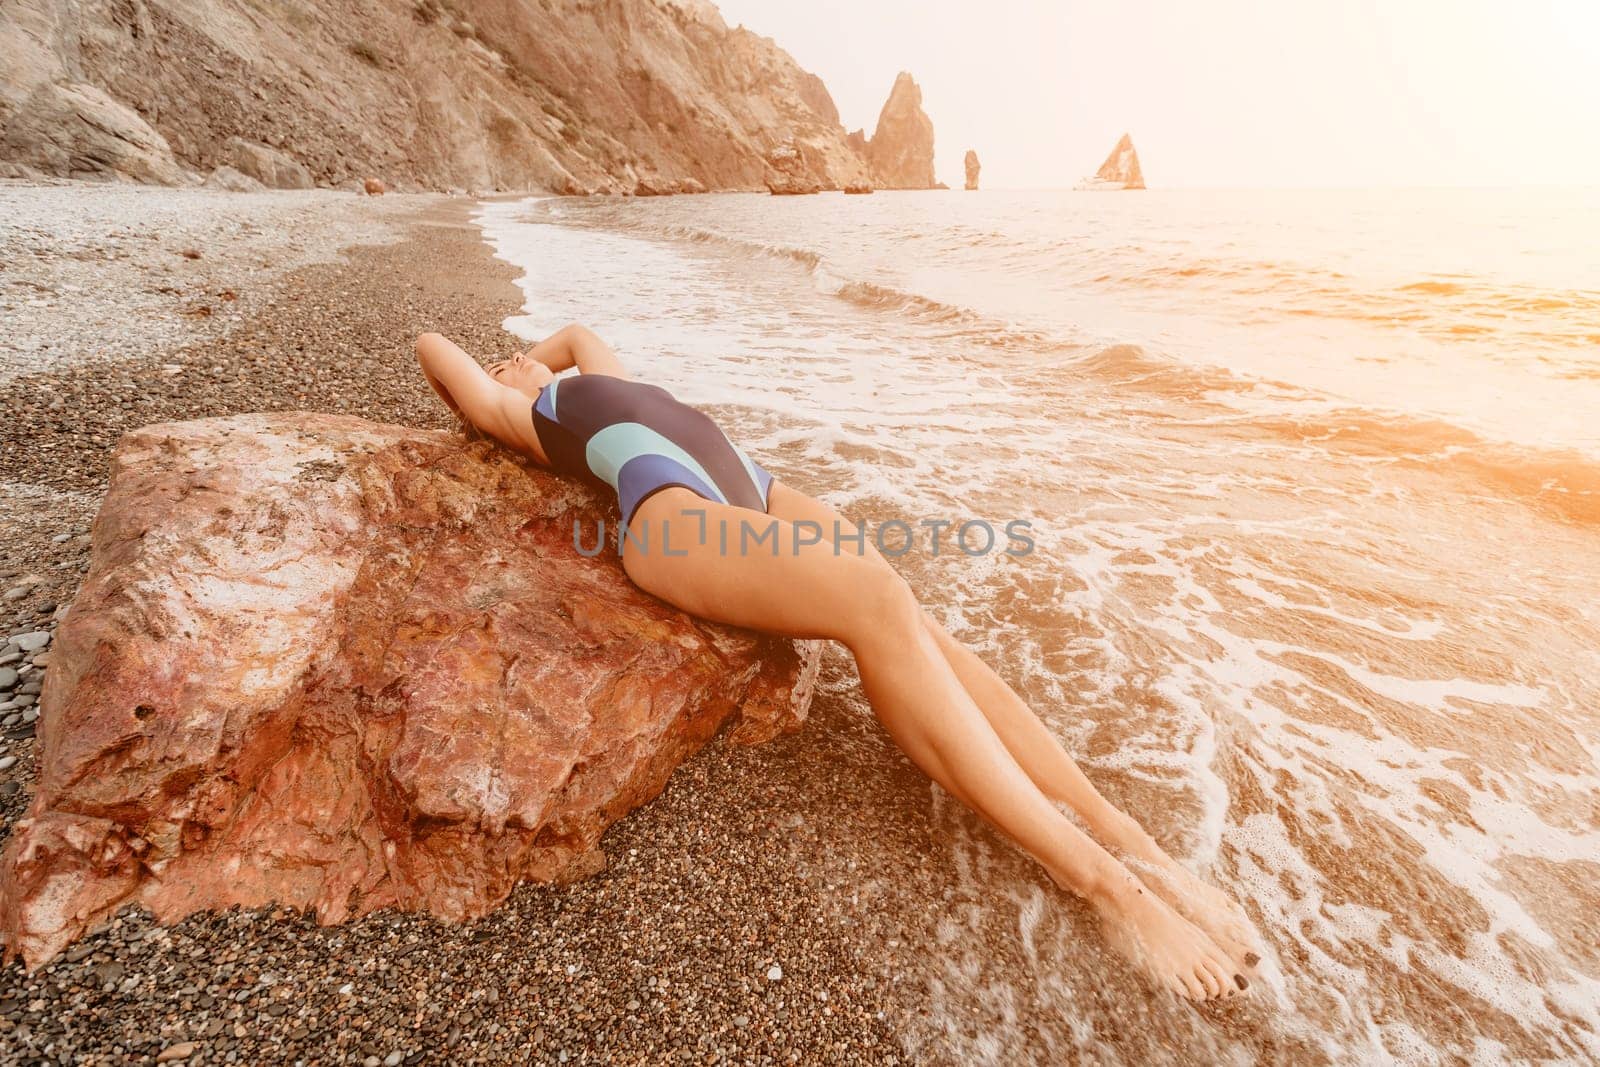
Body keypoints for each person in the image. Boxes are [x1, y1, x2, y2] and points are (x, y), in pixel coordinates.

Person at [416, 324, 1263, 1001]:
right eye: (518, 372)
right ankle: (1105, 884)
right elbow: (434, 355)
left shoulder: (595, 372)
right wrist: (508, 372)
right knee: (875, 604)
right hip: (672, 516)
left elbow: (575, 330)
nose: (530, 367)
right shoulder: (525, 412)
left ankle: (1120, 831)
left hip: (758, 489)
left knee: (917, 618)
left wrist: (541, 352)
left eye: (532, 367)